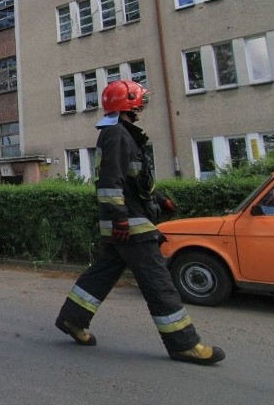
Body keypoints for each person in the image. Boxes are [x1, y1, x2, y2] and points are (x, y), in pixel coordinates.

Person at [55, 80, 225, 365]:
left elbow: (134, 185)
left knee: (101, 275)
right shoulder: (117, 135)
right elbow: (111, 184)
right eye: (139, 102)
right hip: (132, 227)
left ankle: (72, 319)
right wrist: (121, 221)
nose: (142, 108)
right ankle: (184, 344)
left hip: (129, 222)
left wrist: (158, 202)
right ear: (128, 103)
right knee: (159, 284)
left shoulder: (123, 135)